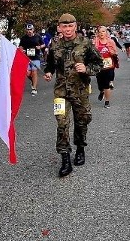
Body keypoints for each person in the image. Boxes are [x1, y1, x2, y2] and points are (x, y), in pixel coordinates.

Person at [44, 13, 103, 177]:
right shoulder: (54, 44)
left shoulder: (85, 43)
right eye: (64, 26)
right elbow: (49, 64)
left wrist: (87, 69)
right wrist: (48, 72)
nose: (68, 29)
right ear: (59, 27)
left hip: (80, 91)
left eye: (70, 26)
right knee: (61, 122)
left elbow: (99, 63)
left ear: (75, 26)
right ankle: (65, 159)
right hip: (60, 92)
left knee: (82, 120)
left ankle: (80, 148)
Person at [94, 26, 118, 108]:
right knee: (100, 85)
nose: (101, 33)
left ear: (106, 32)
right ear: (97, 33)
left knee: (107, 84)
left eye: (103, 31)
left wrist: (112, 53)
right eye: (100, 32)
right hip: (99, 66)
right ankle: (101, 91)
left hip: (109, 65)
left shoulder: (111, 41)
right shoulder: (95, 42)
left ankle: (107, 101)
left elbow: (115, 52)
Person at [18, 23, 46, 96]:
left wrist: (40, 47)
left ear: (33, 30)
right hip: (26, 58)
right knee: (27, 73)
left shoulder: (37, 36)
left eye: (30, 29)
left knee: (34, 71)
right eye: (28, 30)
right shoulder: (24, 38)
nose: (29, 31)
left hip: (35, 57)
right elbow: (20, 47)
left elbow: (43, 44)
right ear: (26, 30)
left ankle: (34, 88)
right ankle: (33, 81)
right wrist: (21, 50)